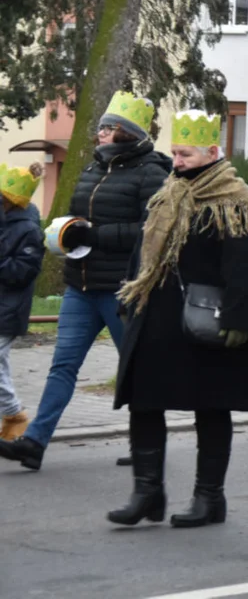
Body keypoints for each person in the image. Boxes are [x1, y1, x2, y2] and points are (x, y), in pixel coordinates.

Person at [106, 110, 248, 528]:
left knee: (211, 407)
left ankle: (210, 498)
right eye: (175, 153)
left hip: (207, 320)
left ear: (213, 152)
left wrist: (239, 320)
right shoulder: (167, 192)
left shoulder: (235, 199)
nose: (177, 161)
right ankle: (147, 492)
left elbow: (245, 266)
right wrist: (130, 290)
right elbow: (144, 249)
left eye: (186, 155)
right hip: (156, 316)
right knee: (143, 401)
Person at [0, 92, 170, 471]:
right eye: (100, 128)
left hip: (122, 288)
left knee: (137, 369)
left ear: (129, 132)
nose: (101, 134)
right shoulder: (94, 168)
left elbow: (151, 230)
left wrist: (95, 236)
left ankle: (148, 444)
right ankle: (34, 443)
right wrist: (65, 233)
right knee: (62, 366)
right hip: (80, 285)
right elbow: (79, 217)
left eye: (109, 128)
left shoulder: (151, 172)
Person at [0, 164, 46, 440]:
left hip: (7, 309)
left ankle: (14, 412)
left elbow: (21, 273)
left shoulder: (28, 231)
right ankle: (12, 416)